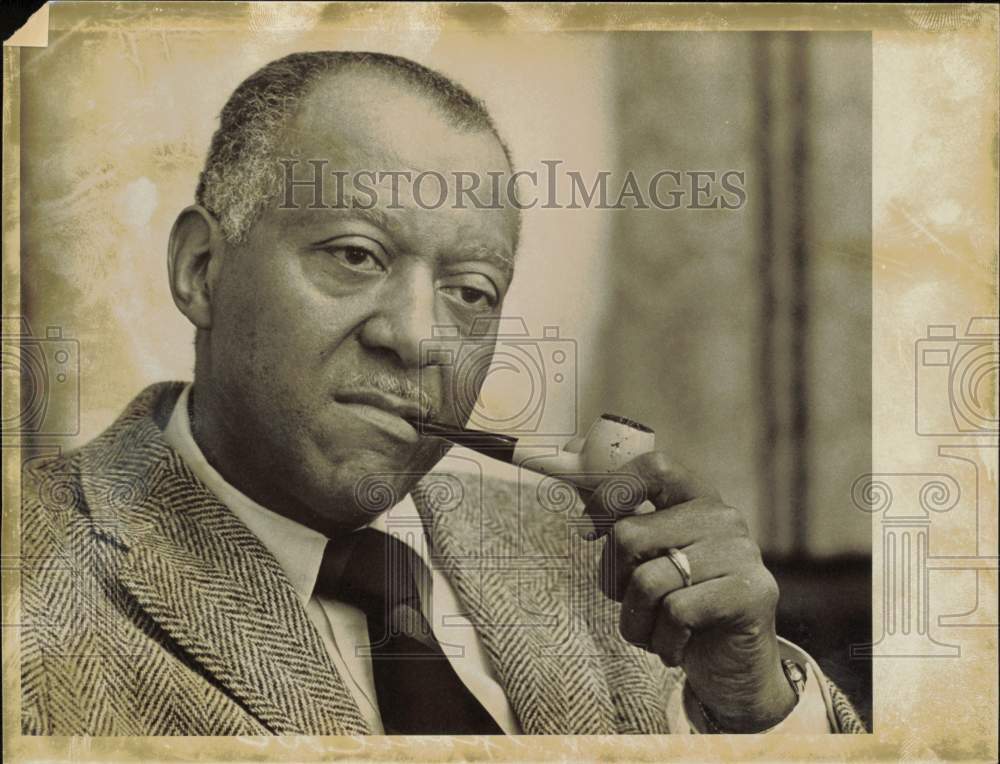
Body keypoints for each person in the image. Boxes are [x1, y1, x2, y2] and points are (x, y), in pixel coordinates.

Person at [20, 51, 865, 736]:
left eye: (470, 291)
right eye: (355, 254)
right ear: (202, 271)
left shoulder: (601, 562)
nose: (421, 338)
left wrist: (752, 709)